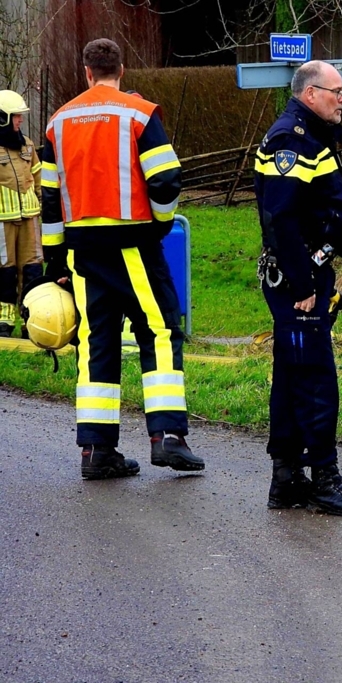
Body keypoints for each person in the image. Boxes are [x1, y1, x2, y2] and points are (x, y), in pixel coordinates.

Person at [40, 38, 204, 479]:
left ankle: (96, 451)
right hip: (134, 245)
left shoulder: (58, 122)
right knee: (161, 331)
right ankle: (168, 437)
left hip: (83, 253)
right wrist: (160, 226)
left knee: (96, 344)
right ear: (122, 70)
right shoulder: (140, 114)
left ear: (87, 73)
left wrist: (54, 263)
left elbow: (50, 200)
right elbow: (167, 180)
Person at [253, 60, 342, 516]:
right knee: (315, 377)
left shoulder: (310, 135)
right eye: (337, 91)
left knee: (292, 373)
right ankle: (323, 477)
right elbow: (281, 218)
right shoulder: (290, 140)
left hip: (306, 273)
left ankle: (286, 478)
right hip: (298, 280)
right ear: (310, 94)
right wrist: (304, 281)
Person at [0, 90, 42, 337]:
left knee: (33, 268)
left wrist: (42, 203)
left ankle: (32, 319)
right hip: (3, 221)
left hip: (30, 218)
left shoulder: (27, 145)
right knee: (5, 270)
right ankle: (4, 321)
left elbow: (37, 177)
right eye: (16, 116)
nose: (20, 121)